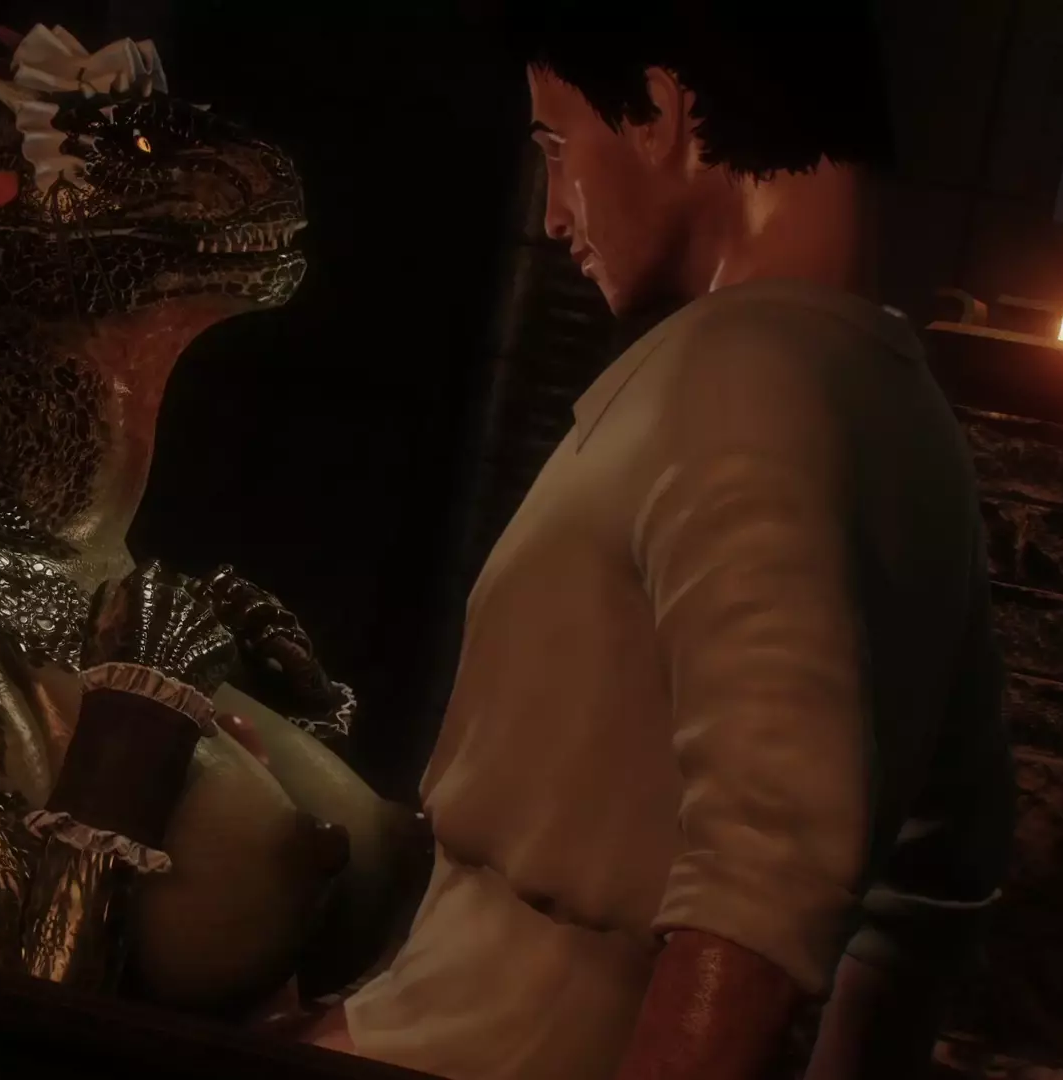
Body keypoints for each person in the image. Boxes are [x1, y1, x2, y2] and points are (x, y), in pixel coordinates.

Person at [297, 6, 1015, 1079]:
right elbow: (937, 879)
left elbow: (767, 882)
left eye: (556, 145)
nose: (553, 212)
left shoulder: (747, 379)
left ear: (660, 111)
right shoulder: (909, 421)